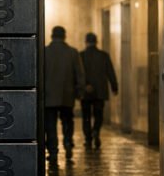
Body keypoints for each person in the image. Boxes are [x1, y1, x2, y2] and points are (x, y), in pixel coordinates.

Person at [44, 26, 84, 164]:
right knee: (67, 121)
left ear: (52, 36)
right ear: (64, 36)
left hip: (48, 96)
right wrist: (80, 91)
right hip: (67, 95)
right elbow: (79, 74)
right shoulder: (73, 52)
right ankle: (67, 144)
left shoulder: (44, 52)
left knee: (50, 125)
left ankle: (53, 152)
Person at [80, 32, 118, 149]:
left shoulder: (81, 55)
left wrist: (84, 85)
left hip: (86, 91)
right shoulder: (104, 55)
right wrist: (114, 87)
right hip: (100, 91)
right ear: (96, 42)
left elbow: (78, 73)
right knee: (98, 115)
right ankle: (96, 130)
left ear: (86, 42)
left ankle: (88, 139)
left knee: (86, 116)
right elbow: (110, 72)